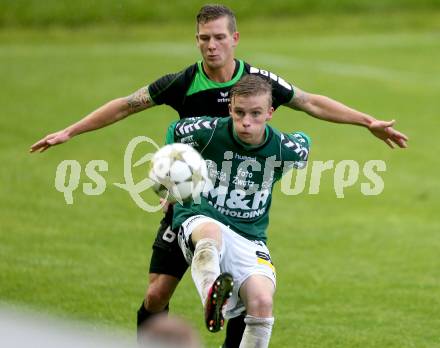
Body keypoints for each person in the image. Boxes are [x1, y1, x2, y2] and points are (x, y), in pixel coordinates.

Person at [29, 4, 408, 347]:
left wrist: (366, 121)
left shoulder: (259, 82)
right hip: (193, 200)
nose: (211, 46)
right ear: (196, 40)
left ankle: (225, 310)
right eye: (204, 38)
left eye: (219, 38)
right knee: (157, 294)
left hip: (237, 204)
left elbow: (310, 102)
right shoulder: (183, 82)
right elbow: (127, 106)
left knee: (247, 302)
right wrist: (72, 132)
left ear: (235, 39)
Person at [167, 74, 310, 347]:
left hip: (250, 236)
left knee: (262, 301)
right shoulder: (206, 131)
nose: (246, 121)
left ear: (270, 112)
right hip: (201, 218)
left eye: (256, 114)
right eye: (240, 112)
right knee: (210, 233)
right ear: (229, 109)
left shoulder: (285, 149)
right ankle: (212, 296)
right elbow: (175, 130)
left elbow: (305, 144)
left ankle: (218, 299)